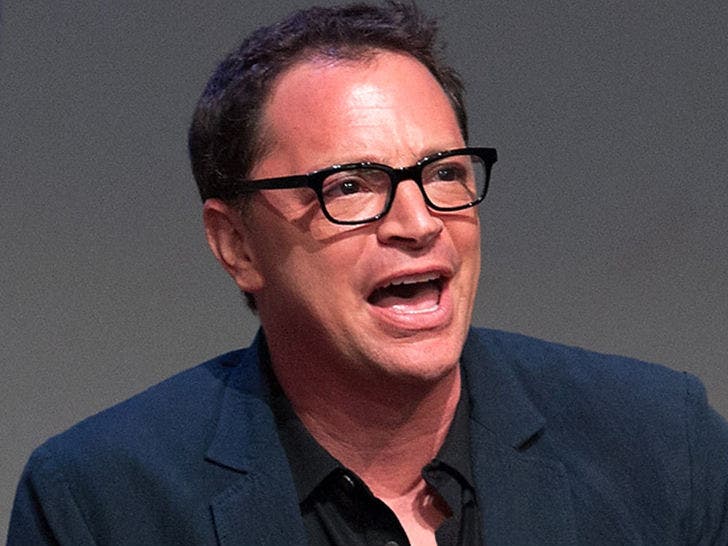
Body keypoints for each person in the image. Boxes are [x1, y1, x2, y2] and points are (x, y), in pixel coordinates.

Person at [8, 2, 728, 545]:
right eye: (350, 186)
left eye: (443, 173)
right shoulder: (99, 502)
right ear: (237, 245)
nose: (419, 222)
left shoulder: (664, 445)